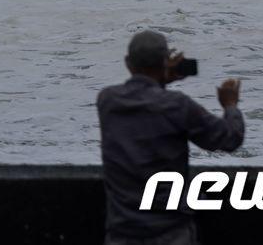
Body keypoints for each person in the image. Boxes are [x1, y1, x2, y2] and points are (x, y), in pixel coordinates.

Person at [96, 30, 244, 245]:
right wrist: (230, 105)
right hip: (170, 231)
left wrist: (161, 79)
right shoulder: (177, 105)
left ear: (128, 63)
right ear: (165, 62)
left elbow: (145, 99)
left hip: (122, 232)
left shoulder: (107, 100)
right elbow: (229, 138)